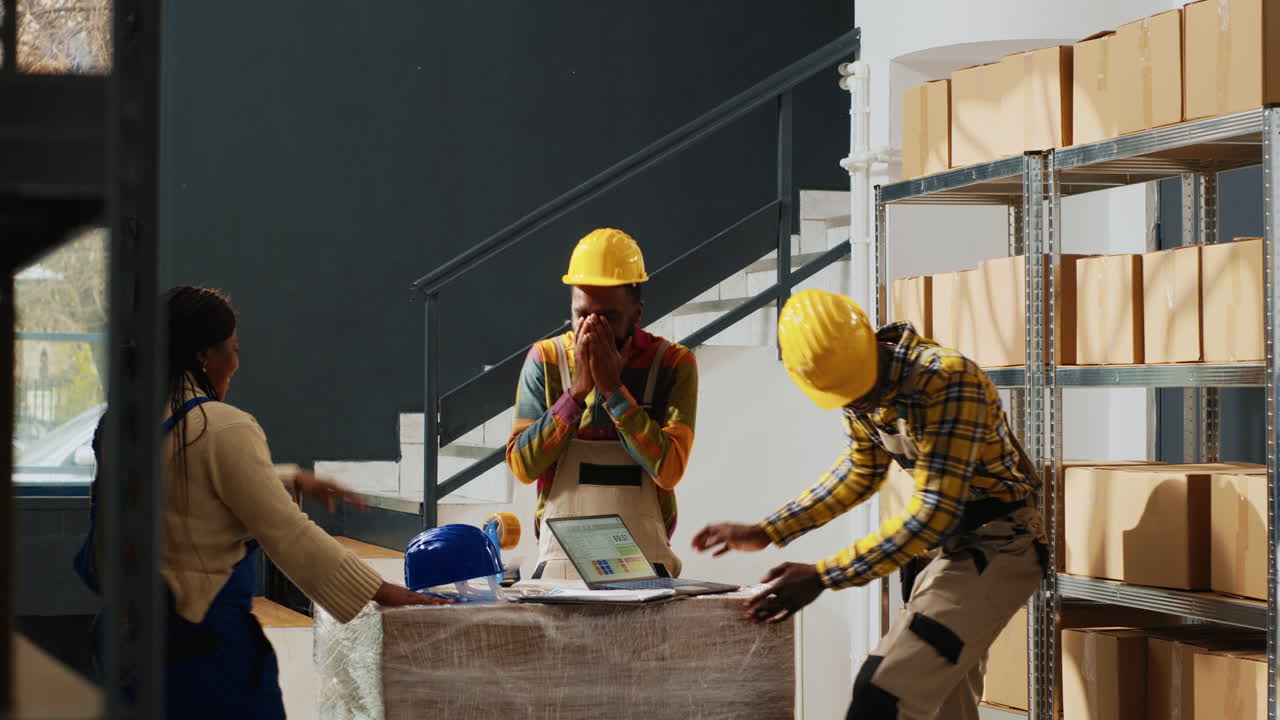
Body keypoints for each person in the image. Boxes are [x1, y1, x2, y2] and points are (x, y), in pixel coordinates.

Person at [75, 286, 446, 719]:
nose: (236, 362)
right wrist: (386, 593)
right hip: (203, 658)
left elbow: (178, 487)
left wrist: (285, 479)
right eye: (232, 348)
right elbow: (289, 535)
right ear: (204, 356)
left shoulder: (122, 423)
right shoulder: (221, 426)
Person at [692, 289, 1045, 720]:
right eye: (847, 398)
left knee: (883, 696)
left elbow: (934, 512)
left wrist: (823, 576)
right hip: (942, 551)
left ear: (871, 345)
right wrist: (768, 530)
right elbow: (861, 471)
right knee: (943, 709)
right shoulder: (859, 383)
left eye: (861, 392)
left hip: (999, 545)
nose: (859, 403)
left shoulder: (948, 381)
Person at [506, 228, 698, 579]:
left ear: (637, 313)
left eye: (607, 317)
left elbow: (670, 470)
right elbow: (522, 465)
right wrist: (577, 393)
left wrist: (613, 391)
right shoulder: (546, 359)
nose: (591, 327)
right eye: (582, 314)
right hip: (560, 564)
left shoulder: (672, 363)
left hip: (646, 563)